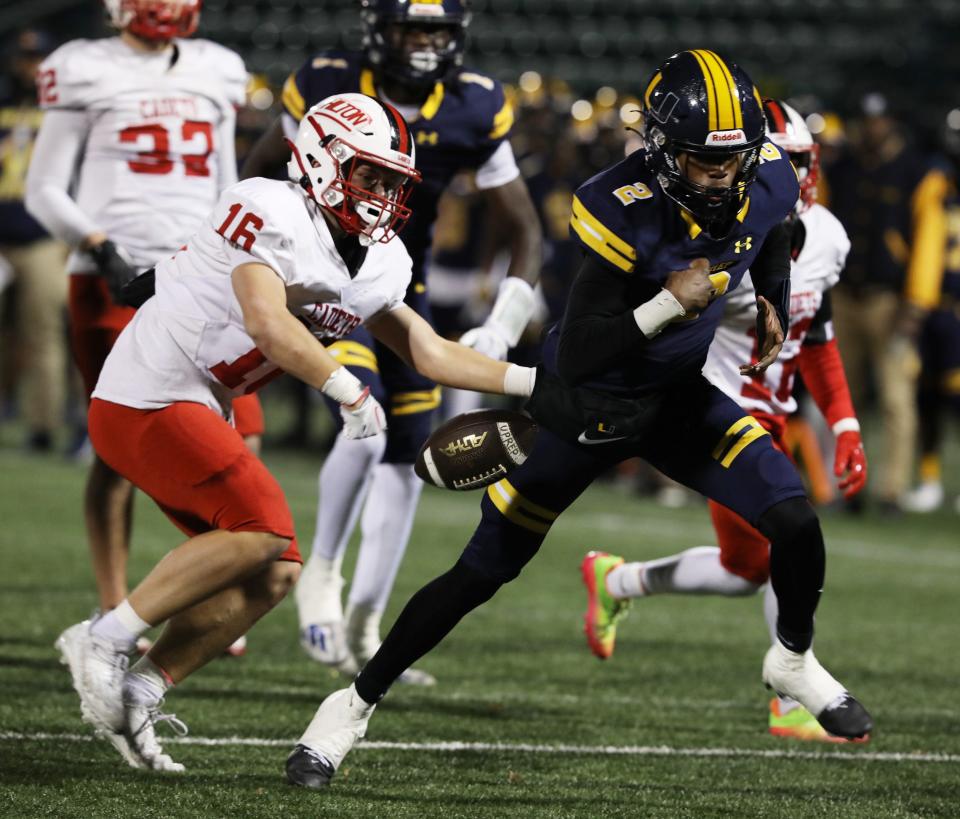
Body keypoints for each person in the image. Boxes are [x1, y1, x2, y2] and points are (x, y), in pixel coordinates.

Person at [285, 51, 873, 789]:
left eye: (734, 160)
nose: (723, 176)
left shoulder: (770, 177)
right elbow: (586, 345)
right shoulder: (616, 202)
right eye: (702, 160)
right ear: (661, 150)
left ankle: (791, 658)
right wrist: (668, 303)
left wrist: (775, 306)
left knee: (795, 521)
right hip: (583, 401)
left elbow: (777, 232)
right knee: (479, 572)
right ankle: (349, 706)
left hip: (672, 398)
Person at [54, 93, 537, 773]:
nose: (386, 194)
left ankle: (142, 687)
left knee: (274, 573)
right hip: (148, 390)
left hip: (201, 402)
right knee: (262, 526)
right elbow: (266, 322)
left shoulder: (382, 258)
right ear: (321, 160)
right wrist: (344, 386)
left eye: (395, 182)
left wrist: (533, 384)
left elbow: (428, 352)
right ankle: (103, 639)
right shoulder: (271, 206)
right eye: (372, 175)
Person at [240, 0, 542, 683]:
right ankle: (320, 574)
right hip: (318, 279)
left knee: (409, 451)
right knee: (365, 427)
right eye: (414, 28)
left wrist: (501, 324)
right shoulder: (326, 84)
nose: (427, 44)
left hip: (397, 283)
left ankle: (367, 624)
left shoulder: (473, 105)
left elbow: (524, 226)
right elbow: (255, 176)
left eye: (438, 30)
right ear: (381, 30)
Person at [577, 100, 869, 744]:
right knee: (788, 539)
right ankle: (792, 698)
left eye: (796, 162)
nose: (781, 176)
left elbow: (815, 335)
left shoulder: (830, 236)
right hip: (721, 405)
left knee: (748, 570)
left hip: (779, 411)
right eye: (776, 161)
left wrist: (844, 424)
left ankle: (617, 578)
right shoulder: (713, 230)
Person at [24, 0, 263, 653]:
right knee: (120, 445)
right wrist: (100, 245)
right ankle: (113, 606)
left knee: (244, 433)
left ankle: (212, 586)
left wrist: (236, 256)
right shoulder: (84, 67)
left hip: (202, 273)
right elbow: (44, 187)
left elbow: (226, 180)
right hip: (111, 273)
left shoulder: (217, 68)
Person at [826, 93, 949, 513]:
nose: (872, 127)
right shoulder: (841, 168)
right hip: (842, 295)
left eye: (879, 120)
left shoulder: (917, 173)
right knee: (843, 396)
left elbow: (929, 243)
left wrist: (916, 303)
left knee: (897, 399)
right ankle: (844, 485)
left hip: (889, 301)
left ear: (893, 122)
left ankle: (891, 489)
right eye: (866, 120)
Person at [0, 29, 67, 452]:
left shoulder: (64, 110)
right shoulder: (4, 103)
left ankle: (43, 426)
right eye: (25, 58)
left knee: (43, 333)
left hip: (43, 238)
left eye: (37, 58)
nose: (30, 66)